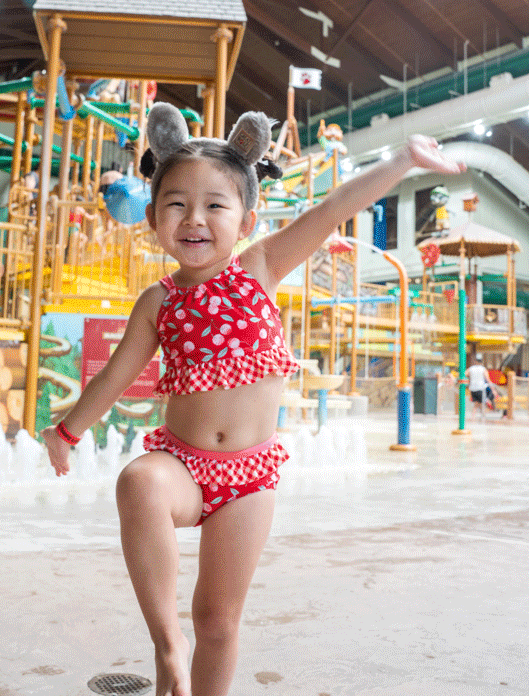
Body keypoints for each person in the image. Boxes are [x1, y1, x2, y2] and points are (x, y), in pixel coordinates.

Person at [42, 103, 463, 696]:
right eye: (176, 204)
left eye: (215, 204)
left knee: (218, 620)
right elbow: (115, 376)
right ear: (153, 220)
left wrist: (401, 161)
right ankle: (168, 646)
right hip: (184, 465)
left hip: (248, 478)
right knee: (138, 482)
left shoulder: (260, 267)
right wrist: (65, 432)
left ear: (245, 220)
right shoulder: (157, 303)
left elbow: (333, 208)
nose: (195, 218)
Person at [466, 353, 489, 422]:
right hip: (480, 388)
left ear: (475, 361)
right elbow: (488, 379)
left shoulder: (471, 368)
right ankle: (483, 416)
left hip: (472, 388)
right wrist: (493, 389)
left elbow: (465, 374)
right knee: (482, 404)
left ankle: (473, 417)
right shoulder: (483, 369)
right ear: (481, 362)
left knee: (476, 404)